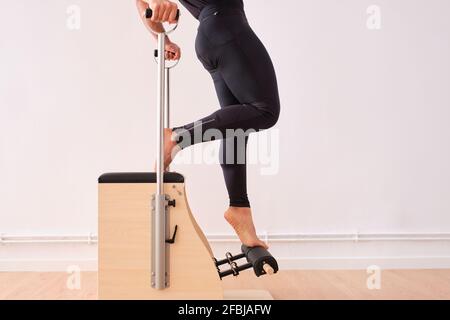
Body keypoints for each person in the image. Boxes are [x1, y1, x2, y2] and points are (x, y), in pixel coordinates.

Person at [136, 0, 281, 249]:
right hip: (227, 27)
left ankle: (239, 209)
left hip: (213, 34)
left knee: (236, 128)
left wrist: (164, 39)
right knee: (265, 110)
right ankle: (178, 138)